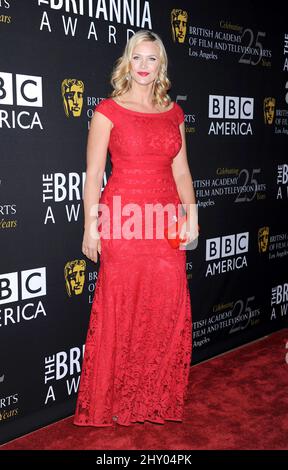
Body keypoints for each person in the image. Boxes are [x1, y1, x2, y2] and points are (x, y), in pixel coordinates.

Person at [73, 29, 198, 428]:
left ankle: (152, 400)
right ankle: (115, 401)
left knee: (166, 308)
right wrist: (90, 228)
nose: (144, 67)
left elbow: (182, 172)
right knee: (122, 307)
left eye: (152, 59)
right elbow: (93, 175)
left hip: (166, 225)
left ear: (162, 65)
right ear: (128, 62)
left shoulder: (174, 114)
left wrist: (191, 218)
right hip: (123, 220)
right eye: (138, 58)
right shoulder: (108, 111)